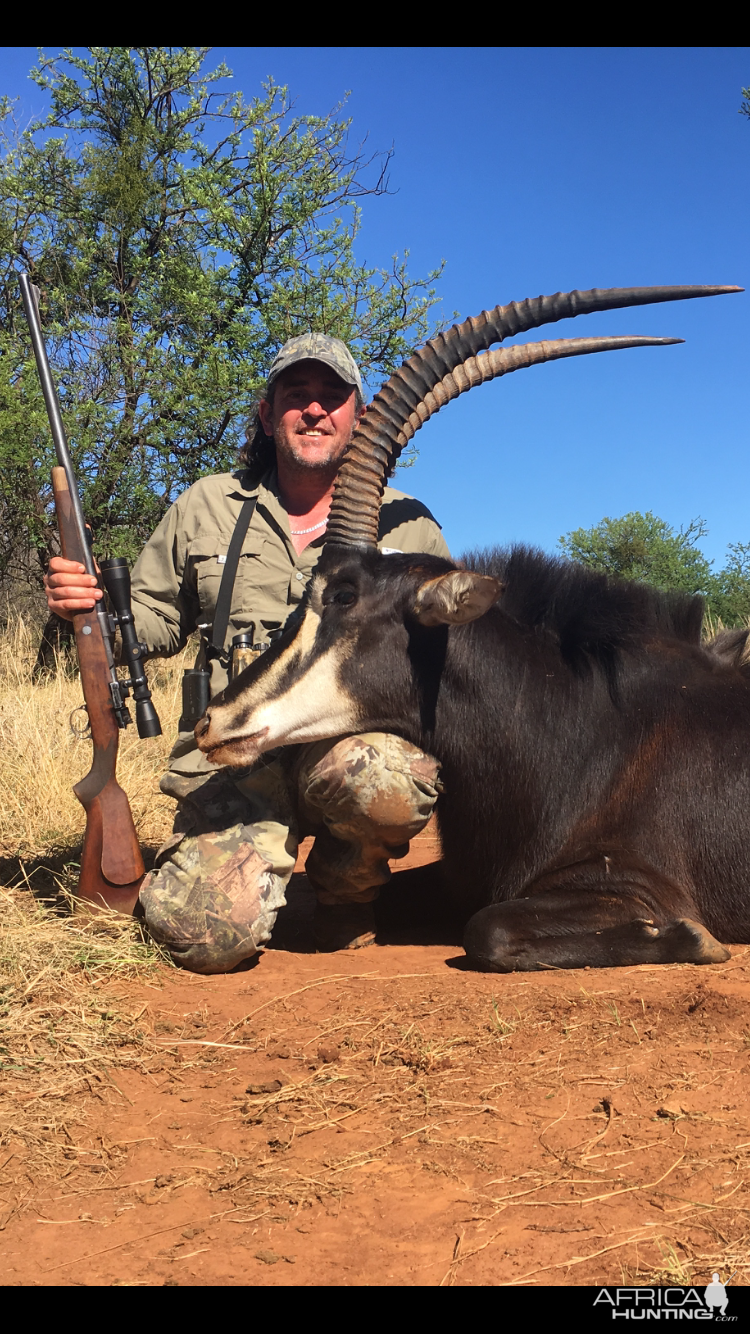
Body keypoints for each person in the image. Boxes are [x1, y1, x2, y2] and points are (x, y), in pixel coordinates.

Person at [44, 333, 450, 972]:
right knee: (203, 941)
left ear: (358, 417)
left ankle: (345, 893)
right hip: (233, 759)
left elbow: (433, 652)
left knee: (391, 780)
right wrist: (85, 606)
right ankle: (249, 873)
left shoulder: (409, 523)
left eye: (331, 397)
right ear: (267, 414)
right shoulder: (205, 504)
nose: (313, 411)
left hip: (338, 746)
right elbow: (152, 623)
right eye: (296, 396)